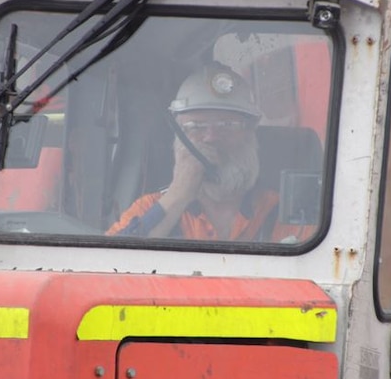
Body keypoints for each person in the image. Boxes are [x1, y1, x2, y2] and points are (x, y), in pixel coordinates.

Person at [107, 62, 311, 243]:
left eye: (227, 125)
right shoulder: (151, 207)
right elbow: (109, 266)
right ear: (178, 137)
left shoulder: (281, 212)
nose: (211, 137)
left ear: (250, 133)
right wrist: (178, 194)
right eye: (196, 126)